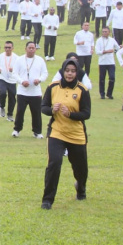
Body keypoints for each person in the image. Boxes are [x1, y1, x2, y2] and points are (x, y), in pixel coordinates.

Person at [40, 58, 91, 210]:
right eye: (67, 71)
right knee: (54, 163)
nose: (69, 74)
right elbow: (43, 107)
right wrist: (51, 110)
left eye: (73, 71)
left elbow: (86, 114)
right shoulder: (53, 87)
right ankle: (47, 200)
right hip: (57, 132)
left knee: (80, 168)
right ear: (63, 71)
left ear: (77, 73)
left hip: (76, 134)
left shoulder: (82, 89)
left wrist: (71, 114)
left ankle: (80, 188)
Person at [12, 42, 48, 138]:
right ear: (26, 49)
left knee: (36, 112)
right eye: (30, 48)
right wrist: (21, 81)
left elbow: (45, 73)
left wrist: (39, 80)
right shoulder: (19, 60)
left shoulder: (40, 60)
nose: (31, 49)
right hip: (22, 91)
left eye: (33, 48)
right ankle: (17, 129)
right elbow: (15, 73)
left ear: (35, 49)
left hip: (35, 92)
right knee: (20, 111)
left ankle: (37, 132)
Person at [95, 27, 120, 99]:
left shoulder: (112, 40)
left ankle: (109, 93)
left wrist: (114, 50)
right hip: (102, 62)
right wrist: (106, 51)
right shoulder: (99, 40)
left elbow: (117, 48)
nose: (104, 33)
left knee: (112, 78)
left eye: (106, 32)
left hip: (111, 62)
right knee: (102, 79)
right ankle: (102, 94)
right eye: (103, 31)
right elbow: (97, 52)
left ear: (109, 32)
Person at [0, 41, 18, 120]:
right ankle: (2, 107)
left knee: (12, 97)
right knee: (2, 92)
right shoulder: (0, 56)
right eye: (6, 47)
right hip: (2, 78)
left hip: (12, 80)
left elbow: (18, 69)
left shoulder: (16, 58)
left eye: (9, 47)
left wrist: (13, 70)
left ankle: (10, 114)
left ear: (12, 48)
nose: (7, 49)